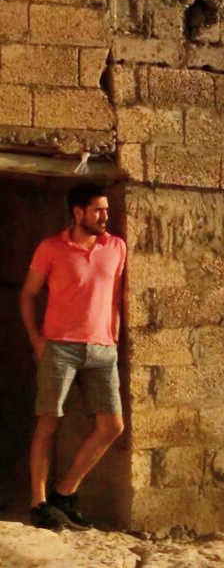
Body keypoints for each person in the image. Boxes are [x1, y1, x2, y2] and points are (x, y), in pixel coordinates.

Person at [19, 183, 127, 530]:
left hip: (102, 349)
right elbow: (28, 295)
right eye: (98, 210)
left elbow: (115, 295)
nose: (105, 216)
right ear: (78, 212)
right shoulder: (51, 248)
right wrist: (37, 340)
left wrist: (113, 337)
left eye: (106, 209)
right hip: (60, 347)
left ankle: (64, 493)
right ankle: (39, 504)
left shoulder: (116, 247)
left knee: (112, 426)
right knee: (49, 422)